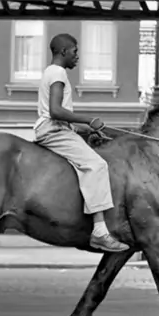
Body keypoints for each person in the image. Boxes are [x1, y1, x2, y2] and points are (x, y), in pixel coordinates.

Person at [33, 33, 129, 253]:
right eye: (75, 52)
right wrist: (89, 119)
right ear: (63, 51)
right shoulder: (57, 73)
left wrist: (87, 130)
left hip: (55, 128)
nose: (78, 57)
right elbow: (56, 111)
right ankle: (99, 232)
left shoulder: (51, 72)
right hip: (54, 130)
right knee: (97, 165)